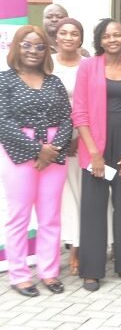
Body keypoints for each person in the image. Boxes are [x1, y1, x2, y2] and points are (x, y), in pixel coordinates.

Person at [71, 18, 121, 292]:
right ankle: (91, 270)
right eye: (107, 36)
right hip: (95, 146)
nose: (113, 39)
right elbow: (79, 111)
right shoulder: (87, 68)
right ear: (100, 40)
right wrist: (94, 153)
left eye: (118, 34)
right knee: (93, 208)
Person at [0, 25, 73, 297]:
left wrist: (51, 149)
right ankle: (19, 274)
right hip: (18, 153)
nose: (33, 51)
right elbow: (3, 123)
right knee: (19, 216)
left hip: (54, 153)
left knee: (50, 216)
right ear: (16, 47)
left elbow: (67, 117)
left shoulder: (54, 81)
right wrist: (36, 150)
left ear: (47, 51)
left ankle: (49, 271)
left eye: (40, 46)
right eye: (27, 45)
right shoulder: (4, 80)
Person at [52, 18, 86, 276]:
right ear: (56, 36)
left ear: (81, 38)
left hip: (83, 137)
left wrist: (78, 137)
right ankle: (53, 250)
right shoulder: (46, 64)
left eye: (74, 33)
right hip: (52, 140)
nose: (68, 37)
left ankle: (77, 248)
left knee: (79, 194)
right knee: (59, 196)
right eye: (64, 32)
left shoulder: (87, 65)